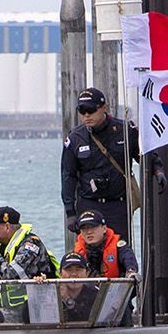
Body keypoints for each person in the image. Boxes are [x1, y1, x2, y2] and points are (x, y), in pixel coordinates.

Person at [60, 87, 132, 241]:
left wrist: (158, 170)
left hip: (118, 205)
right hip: (89, 205)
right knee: (89, 250)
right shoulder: (75, 138)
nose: (87, 115)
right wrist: (70, 212)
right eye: (82, 110)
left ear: (104, 107)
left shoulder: (125, 131)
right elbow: (68, 176)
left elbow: (145, 156)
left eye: (91, 110)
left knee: (120, 249)